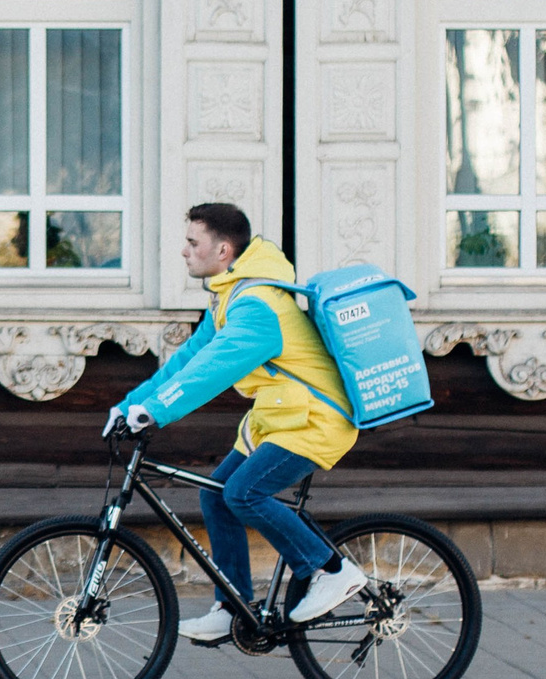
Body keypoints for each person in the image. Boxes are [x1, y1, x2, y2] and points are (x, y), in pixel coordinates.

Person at [103, 202, 366, 643]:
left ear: (223, 250)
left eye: (193, 242)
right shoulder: (231, 296)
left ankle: (331, 570)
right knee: (217, 496)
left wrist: (156, 411)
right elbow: (189, 360)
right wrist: (129, 403)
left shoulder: (257, 306)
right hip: (284, 418)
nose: (184, 251)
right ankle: (231, 607)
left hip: (316, 419)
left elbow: (213, 372)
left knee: (242, 492)